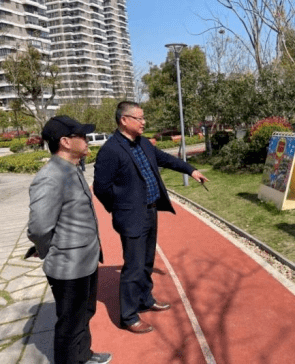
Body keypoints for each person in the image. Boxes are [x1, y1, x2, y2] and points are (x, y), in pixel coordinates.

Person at [93, 101, 208, 334]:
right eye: (139, 118)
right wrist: (121, 207)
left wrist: (190, 170)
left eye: (144, 118)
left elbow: (166, 159)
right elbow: (101, 188)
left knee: (146, 261)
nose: (144, 122)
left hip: (150, 211)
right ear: (124, 120)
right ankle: (128, 316)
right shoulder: (111, 150)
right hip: (130, 216)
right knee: (133, 267)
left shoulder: (144, 143)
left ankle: (145, 299)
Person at [27, 116, 112, 364]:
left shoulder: (71, 169)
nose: (87, 141)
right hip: (68, 265)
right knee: (70, 322)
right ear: (65, 142)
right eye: (82, 136)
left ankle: (83, 356)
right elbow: (39, 228)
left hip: (85, 259)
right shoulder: (50, 176)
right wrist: (48, 251)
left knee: (85, 313)